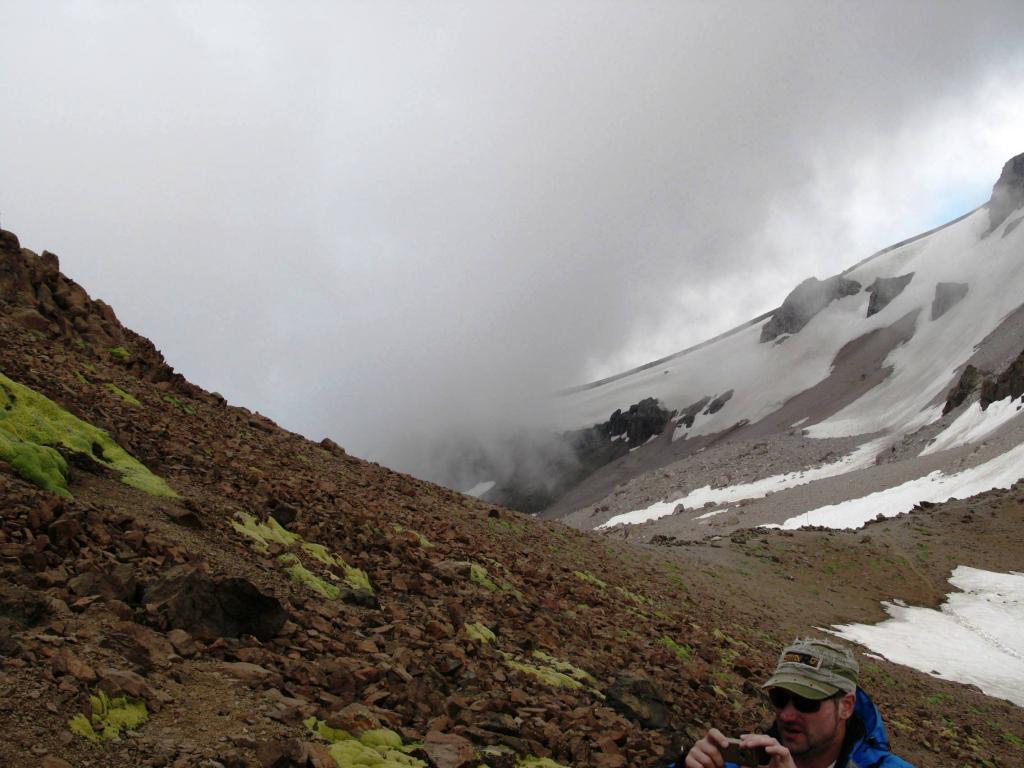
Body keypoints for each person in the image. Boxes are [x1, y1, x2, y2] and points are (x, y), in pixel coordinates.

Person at [676, 637, 913, 768]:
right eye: (779, 699)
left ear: (846, 706)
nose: (787, 715)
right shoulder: (748, 760)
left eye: (806, 702)